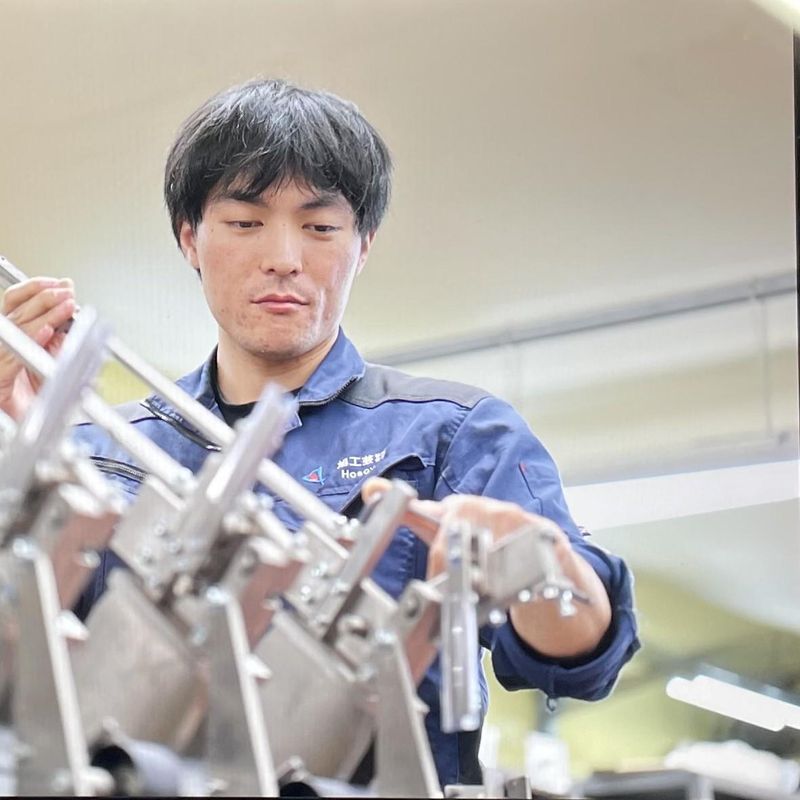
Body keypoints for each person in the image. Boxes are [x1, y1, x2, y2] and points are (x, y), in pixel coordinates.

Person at [0, 79, 639, 787]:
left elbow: (585, 661)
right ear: (190, 239)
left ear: (363, 245)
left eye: (320, 227)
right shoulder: (106, 453)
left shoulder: (453, 435)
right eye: (245, 222)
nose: (284, 257)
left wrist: (543, 570)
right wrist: (19, 459)